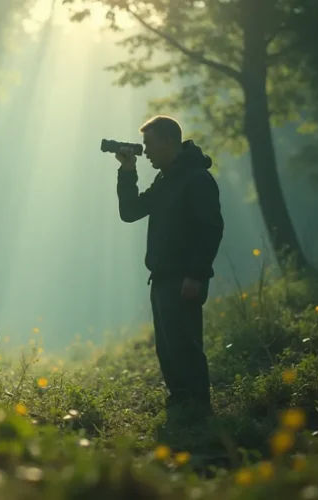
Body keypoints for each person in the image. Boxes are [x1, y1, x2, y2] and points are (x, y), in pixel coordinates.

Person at [115, 115, 224, 425]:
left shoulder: (196, 179)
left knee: (185, 346)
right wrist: (127, 170)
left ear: (167, 141)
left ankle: (200, 412)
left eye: (149, 144)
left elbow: (210, 229)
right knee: (167, 349)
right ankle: (182, 404)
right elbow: (130, 212)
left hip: (184, 278)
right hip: (162, 278)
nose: (145, 151)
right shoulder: (165, 180)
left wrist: (196, 274)